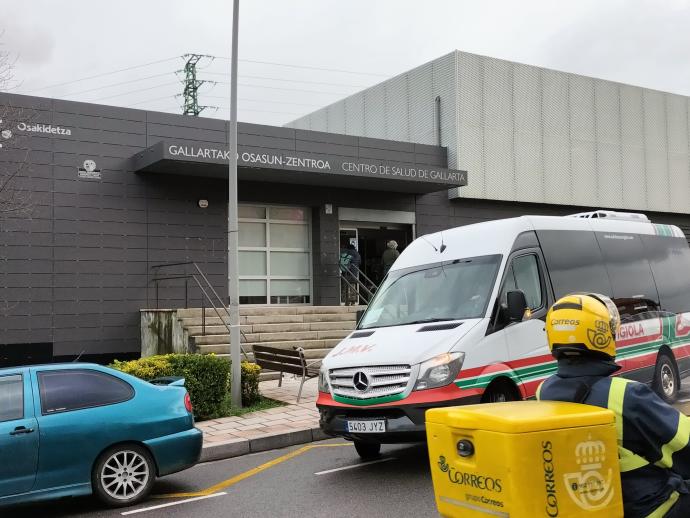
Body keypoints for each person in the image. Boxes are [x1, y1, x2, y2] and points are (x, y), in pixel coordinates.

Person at [537, 293, 690, 518]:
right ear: (601, 334)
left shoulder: (543, 392)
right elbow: (685, 446)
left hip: (588, 505)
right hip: (651, 509)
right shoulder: (625, 396)